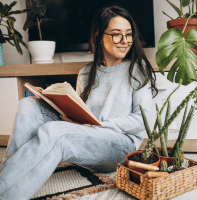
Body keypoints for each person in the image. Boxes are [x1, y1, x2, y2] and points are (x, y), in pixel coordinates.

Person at [0, 6, 157, 199]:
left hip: (120, 146)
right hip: (88, 139)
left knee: (55, 133)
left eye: (129, 34)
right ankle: (7, 177)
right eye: (117, 35)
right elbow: (81, 115)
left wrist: (100, 124)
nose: (125, 41)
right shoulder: (85, 73)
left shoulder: (137, 68)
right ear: (100, 36)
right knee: (28, 105)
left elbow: (144, 119)